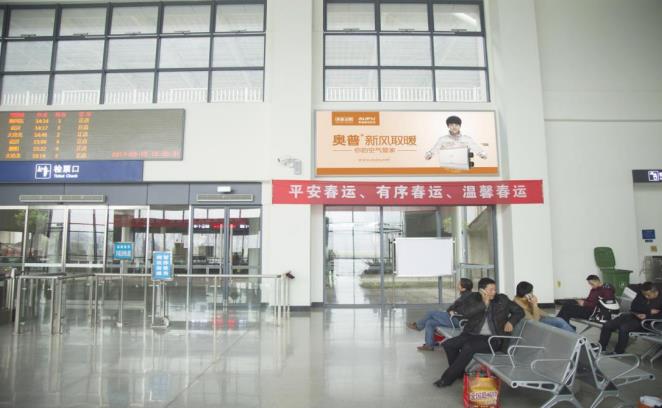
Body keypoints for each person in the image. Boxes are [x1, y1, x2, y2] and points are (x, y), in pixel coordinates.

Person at [433, 278, 524, 387]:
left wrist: (511, 322)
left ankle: (446, 379)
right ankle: (459, 373)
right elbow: (465, 313)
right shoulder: (473, 298)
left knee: (468, 347)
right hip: (471, 334)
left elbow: (519, 311)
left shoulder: (502, 299)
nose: (494, 292)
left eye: (495, 289)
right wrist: (484, 303)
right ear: (482, 290)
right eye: (491, 290)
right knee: (449, 344)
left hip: (493, 338)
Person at [407, 278, 474, 351]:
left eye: (459, 284)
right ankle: (429, 345)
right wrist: (452, 310)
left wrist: (454, 312)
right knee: (430, 322)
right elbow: (453, 307)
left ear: (463, 288)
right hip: (454, 318)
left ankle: (418, 326)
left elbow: (465, 311)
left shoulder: (467, 297)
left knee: (431, 313)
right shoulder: (465, 295)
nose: (457, 285)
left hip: (457, 321)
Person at [599, 282, 661, 354]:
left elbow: (660, 315)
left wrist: (646, 316)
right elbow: (634, 306)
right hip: (634, 315)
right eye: (644, 295)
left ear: (655, 292)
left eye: (648, 295)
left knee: (624, 328)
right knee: (608, 324)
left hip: (647, 322)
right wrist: (649, 310)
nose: (646, 296)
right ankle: (601, 347)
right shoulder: (642, 294)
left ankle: (618, 352)